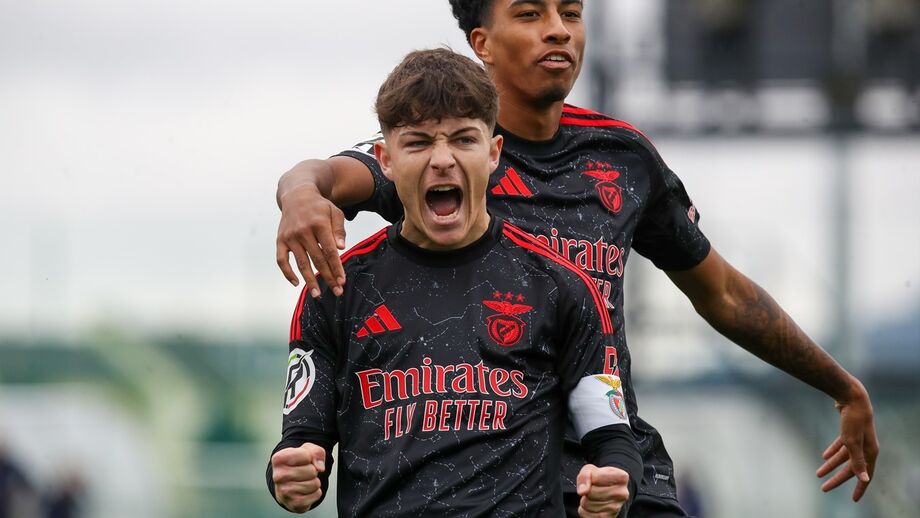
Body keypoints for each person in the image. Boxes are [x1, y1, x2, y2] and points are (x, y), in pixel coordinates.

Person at [273, 1, 879, 516]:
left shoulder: (623, 158)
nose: (559, 29)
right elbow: (324, 175)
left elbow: (720, 292)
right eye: (531, 13)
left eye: (572, 12)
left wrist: (841, 386)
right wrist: (302, 195)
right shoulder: (441, 150)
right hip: (491, 474)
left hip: (613, 462)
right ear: (480, 41)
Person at [268, 48, 641, 517]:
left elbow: (611, 437)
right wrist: (290, 476)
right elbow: (301, 444)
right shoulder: (336, 288)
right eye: (418, 142)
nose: (442, 160)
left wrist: (612, 483)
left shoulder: (561, 285)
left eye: (463, 140)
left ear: (493, 153)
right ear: (384, 159)